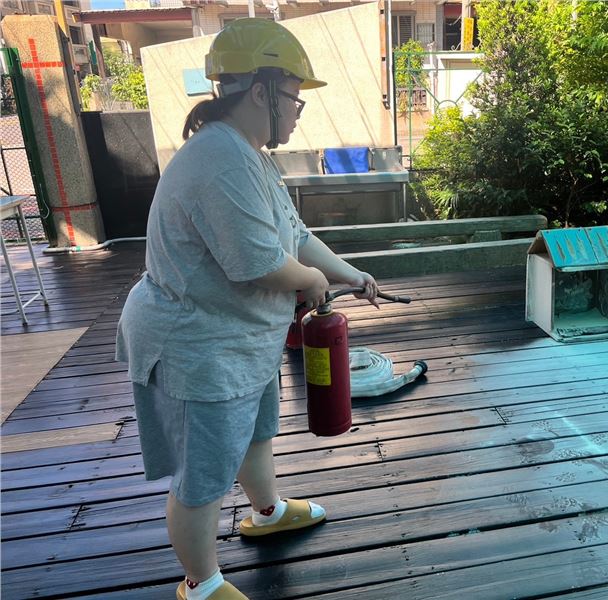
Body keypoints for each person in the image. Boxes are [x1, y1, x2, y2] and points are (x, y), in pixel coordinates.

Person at [116, 18, 379, 600]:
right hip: (197, 344)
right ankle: (201, 583)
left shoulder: (250, 155)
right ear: (261, 91)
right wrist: (313, 281)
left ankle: (266, 511)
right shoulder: (220, 158)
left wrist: (348, 273)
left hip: (239, 334)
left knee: (256, 430)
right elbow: (258, 263)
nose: (299, 110)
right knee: (204, 472)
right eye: (295, 96)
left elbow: (294, 235)